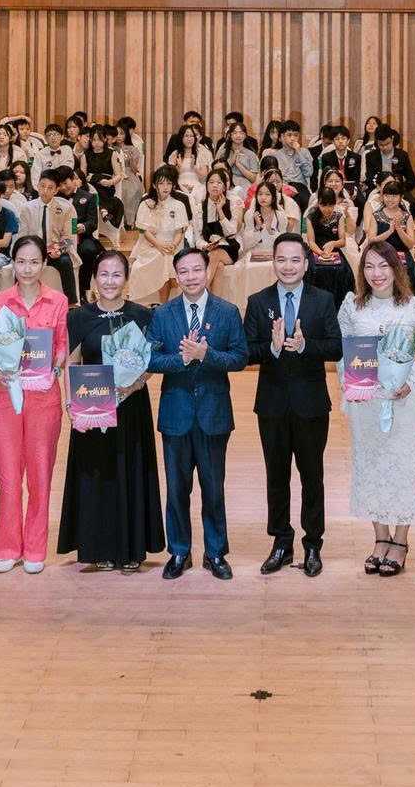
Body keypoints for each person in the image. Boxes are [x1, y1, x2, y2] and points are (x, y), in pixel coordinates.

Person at [59, 248, 165, 572]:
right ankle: (99, 548)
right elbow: (70, 362)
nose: (109, 281)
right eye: (103, 274)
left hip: (131, 408)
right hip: (92, 409)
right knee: (97, 476)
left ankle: (132, 549)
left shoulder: (142, 315)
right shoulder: (79, 317)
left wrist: (134, 385)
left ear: (126, 280)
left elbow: (151, 362)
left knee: (130, 472)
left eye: (116, 274)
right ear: (93, 279)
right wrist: (71, 405)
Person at [242, 235, 340, 576]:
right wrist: (270, 348)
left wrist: (304, 346)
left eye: (295, 260)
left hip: (311, 404)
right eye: (281, 260)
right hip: (271, 403)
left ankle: (313, 544)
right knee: (276, 476)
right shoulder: (258, 301)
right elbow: (246, 352)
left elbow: (335, 347)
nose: (288, 266)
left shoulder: (323, 301)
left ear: (305, 262)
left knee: (312, 477)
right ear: (274, 262)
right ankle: (281, 542)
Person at [148, 246, 246, 579]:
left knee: (213, 488)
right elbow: (149, 359)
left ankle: (215, 552)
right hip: (175, 414)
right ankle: (179, 551)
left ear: (207, 272)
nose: (191, 277)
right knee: (177, 489)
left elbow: (240, 358)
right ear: (176, 276)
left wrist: (207, 355)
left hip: (213, 413)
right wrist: (182, 360)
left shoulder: (227, 312)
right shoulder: (162, 314)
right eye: (184, 271)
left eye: (196, 270)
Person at [339, 238, 415, 576]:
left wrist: (413, 381)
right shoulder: (352, 306)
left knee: (404, 466)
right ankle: (380, 537)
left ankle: (402, 540)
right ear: (361, 271)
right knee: (373, 465)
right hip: (368, 403)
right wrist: (353, 384)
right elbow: (343, 355)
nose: (377, 273)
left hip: (404, 401)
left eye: (384, 265)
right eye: (369, 266)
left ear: (397, 269)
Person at [0, 236, 71, 574]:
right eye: (21, 262)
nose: (28, 269)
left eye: (34, 262)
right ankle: (7, 547)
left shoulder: (59, 301)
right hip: (4, 398)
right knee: (8, 478)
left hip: (44, 398)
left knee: (39, 476)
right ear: (12, 264)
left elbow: (62, 344)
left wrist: (55, 366)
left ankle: (35, 549)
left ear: (44, 265)